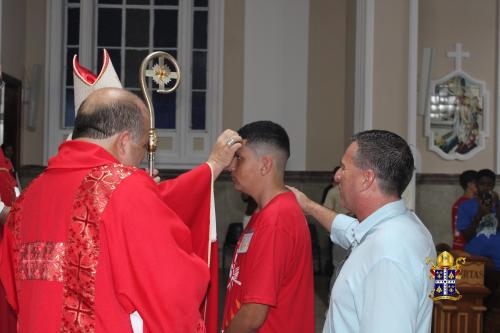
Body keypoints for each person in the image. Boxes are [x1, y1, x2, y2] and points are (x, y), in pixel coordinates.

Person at [0, 87, 242, 332]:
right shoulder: (124, 185)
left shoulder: (28, 197)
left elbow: (11, 286)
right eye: (143, 147)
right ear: (124, 142)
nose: (140, 160)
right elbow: (172, 289)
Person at [288, 129, 435, 333]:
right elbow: (352, 231)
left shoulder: (388, 254)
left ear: (366, 179)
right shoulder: (397, 224)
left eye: (344, 168)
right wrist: (308, 206)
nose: (337, 176)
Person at [221, 121, 314, 333]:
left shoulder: (276, 219)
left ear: (265, 165)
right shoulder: (266, 213)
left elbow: (253, 314)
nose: (231, 166)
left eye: (239, 158)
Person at [451, 170, 477, 250]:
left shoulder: (458, 203)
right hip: (466, 249)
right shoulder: (467, 204)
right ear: (470, 184)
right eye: (478, 183)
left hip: (458, 246)